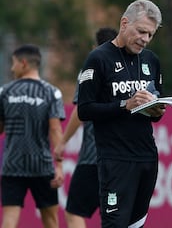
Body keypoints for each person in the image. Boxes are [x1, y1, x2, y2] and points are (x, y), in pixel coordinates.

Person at [77, 0, 165, 228]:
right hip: (115, 160)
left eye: (150, 35)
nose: (145, 39)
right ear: (124, 23)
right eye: (141, 31)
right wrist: (124, 105)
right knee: (115, 224)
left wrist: (156, 109)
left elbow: (157, 115)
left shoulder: (151, 60)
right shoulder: (98, 59)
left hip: (147, 158)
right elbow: (84, 110)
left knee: (136, 225)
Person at [54, 27, 117, 228]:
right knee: (116, 217)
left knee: (74, 212)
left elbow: (80, 111)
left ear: (94, 46)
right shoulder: (128, 68)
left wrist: (62, 142)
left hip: (94, 157)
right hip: (122, 160)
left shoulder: (92, 66)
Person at [0, 44, 65, 228]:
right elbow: (55, 130)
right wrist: (58, 166)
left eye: (13, 63)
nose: (12, 69)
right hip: (42, 166)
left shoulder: (5, 92)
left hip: (12, 166)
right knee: (51, 221)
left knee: (9, 221)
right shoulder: (51, 92)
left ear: (23, 63)